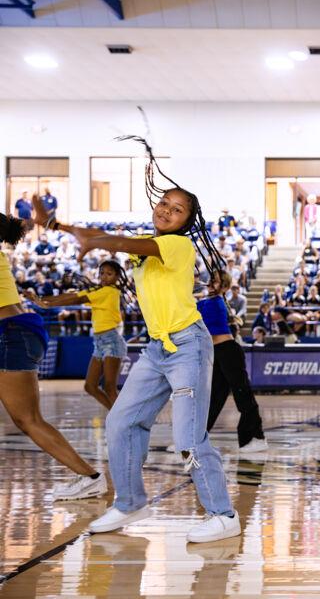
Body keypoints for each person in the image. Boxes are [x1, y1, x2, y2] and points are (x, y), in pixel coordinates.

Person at [33, 136, 240, 543]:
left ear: (186, 222)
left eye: (177, 209)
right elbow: (109, 236)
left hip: (187, 347)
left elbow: (122, 242)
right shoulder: (145, 246)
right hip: (156, 349)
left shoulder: (177, 247)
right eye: (164, 203)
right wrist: (58, 226)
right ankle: (129, 503)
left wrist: (99, 241)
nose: (167, 210)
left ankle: (223, 514)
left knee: (188, 437)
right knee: (122, 421)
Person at [0, 212, 107, 501]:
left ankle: (90, 477)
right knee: (29, 418)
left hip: (9, 335)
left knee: (28, 419)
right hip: (16, 331)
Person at [26, 260, 129, 409]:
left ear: (117, 276)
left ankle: (126, 421)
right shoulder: (99, 291)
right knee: (90, 386)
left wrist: (45, 302)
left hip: (111, 340)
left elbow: (77, 298)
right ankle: (117, 417)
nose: (104, 277)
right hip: (100, 342)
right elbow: (72, 295)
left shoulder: (109, 291)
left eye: (109, 274)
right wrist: (42, 300)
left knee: (109, 388)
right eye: (102, 273)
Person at [196, 271, 268, 454]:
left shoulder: (215, 302)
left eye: (216, 281)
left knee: (242, 394)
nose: (211, 283)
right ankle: (196, 439)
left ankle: (256, 438)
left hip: (229, 351)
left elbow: (192, 309)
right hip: (216, 353)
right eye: (211, 280)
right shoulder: (205, 302)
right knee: (213, 399)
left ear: (225, 288)